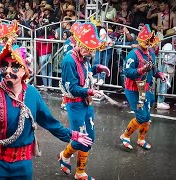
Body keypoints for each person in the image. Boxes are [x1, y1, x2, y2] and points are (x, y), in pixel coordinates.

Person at [0, 38, 92, 180]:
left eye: (14, 67)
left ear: (23, 71)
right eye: (4, 67)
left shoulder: (32, 94)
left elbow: (50, 123)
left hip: (23, 164)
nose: (8, 71)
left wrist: (72, 135)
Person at [58, 21, 110, 180]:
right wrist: (91, 91)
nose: (92, 54)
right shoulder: (69, 61)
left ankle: (68, 158)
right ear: (80, 46)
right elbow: (72, 88)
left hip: (86, 102)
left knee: (90, 138)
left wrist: (98, 67)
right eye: (90, 51)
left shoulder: (83, 57)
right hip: (74, 104)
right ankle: (76, 167)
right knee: (81, 138)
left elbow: (86, 72)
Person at [120, 25, 166, 150]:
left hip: (144, 89)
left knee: (147, 117)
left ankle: (141, 139)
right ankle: (125, 135)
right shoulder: (133, 54)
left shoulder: (151, 52)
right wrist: (141, 70)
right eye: (147, 41)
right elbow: (127, 72)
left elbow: (153, 68)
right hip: (133, 90)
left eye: (150, 41)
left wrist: (160, 74)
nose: (149, 43)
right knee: (141, 116)